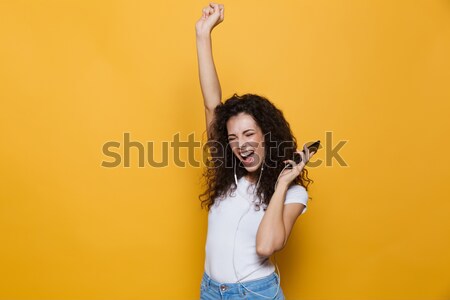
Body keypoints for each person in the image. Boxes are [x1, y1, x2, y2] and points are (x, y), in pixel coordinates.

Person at [195, 3, 316, 299]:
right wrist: (202, 35)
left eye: (249, 134)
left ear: (267, 136)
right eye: (234, 137)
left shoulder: (293, 195)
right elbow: (212, 104)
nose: (241, 144)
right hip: (210, 290)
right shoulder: (229, 175)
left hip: (254, 294)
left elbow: (265, 246)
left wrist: (282, 185)